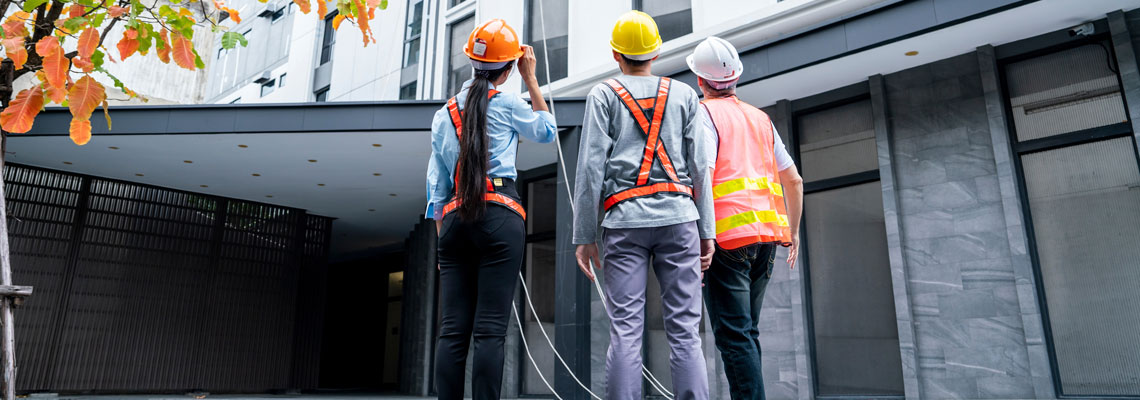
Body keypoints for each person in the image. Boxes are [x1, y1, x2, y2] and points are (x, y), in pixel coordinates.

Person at [572, 10, 714, 400]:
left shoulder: (603, 95)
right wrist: (708, 233)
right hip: (680, 218)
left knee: (625, 330)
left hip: (624, 223)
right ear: (656, 52)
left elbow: (590, 170)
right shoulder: (685, 94)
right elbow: (701, 167)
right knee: (685, 330)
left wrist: (585, 236)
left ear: (616, 54)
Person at [425, 18, 556, 400]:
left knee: (452, 331)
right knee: (489, 330)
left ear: (471, 61)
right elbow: (547, 131)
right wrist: (531, 80)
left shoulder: (443, 114)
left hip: (453, 222)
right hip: (500, 216)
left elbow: (436, 187)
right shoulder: (511, 103)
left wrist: (442, 243)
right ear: (510, 66)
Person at [687, 36, 804, 400]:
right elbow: (794, 180)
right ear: (735, 78)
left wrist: (701, 236)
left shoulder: (704, 114)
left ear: (700, 81)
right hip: (768, 240)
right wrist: (794, 233)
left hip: (726, 241)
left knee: (735, 335)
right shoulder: (761, 119)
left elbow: (702, 176)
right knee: (747, 333)